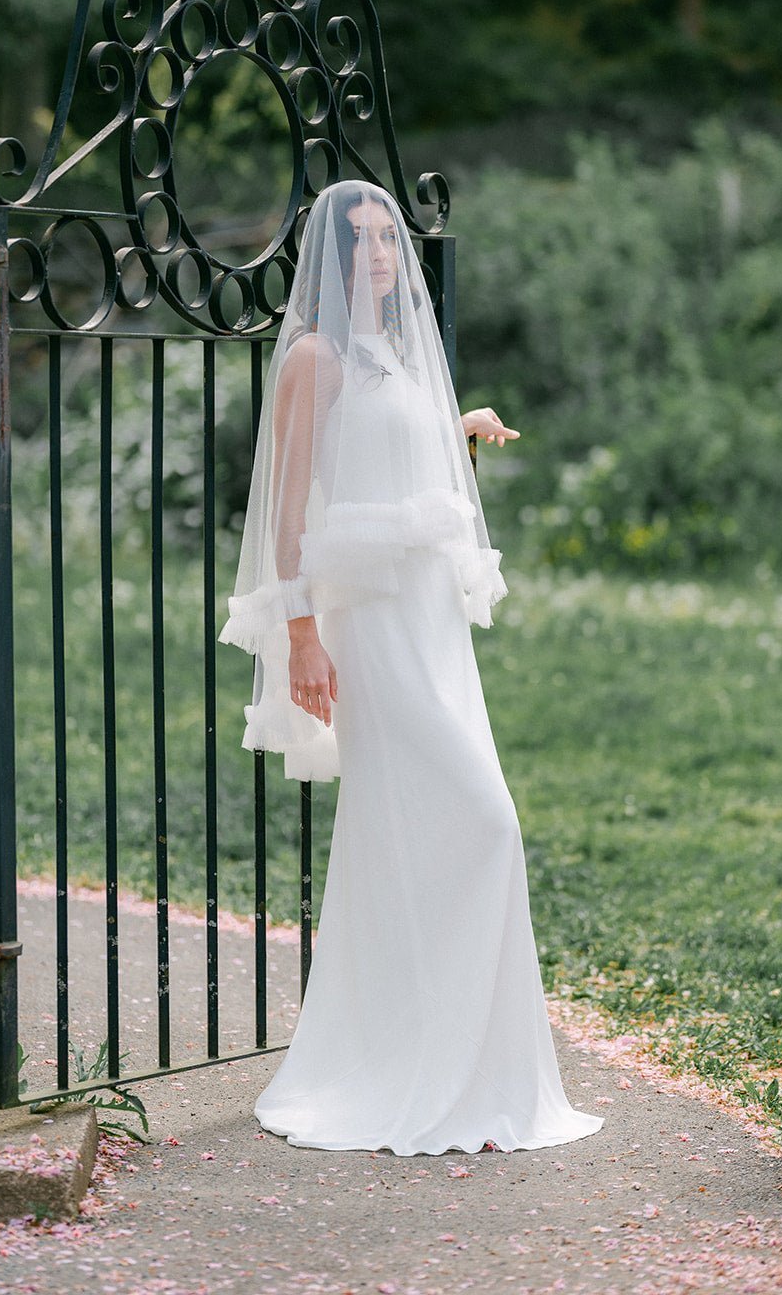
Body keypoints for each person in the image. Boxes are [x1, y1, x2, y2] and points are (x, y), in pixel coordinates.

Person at [218, 179, 606, 1155]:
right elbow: (292, 506)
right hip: (373, 630)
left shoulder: (391, 351)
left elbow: (390, 447)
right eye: (360, 243)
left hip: (432, 625)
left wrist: (459, 426)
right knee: (482, 821)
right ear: (333, 262)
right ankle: (405, 1065)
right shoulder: (314, 356)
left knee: (420, 833)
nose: (381, 256)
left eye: (389, 238)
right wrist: (301, 633)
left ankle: (461, 1062)